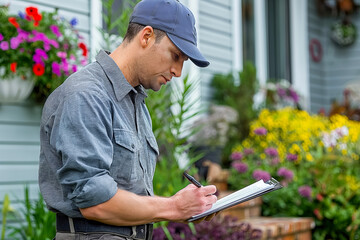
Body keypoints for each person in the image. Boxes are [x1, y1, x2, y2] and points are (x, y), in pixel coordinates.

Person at [38, 0, 217, 239]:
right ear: (146, 37)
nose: (178, 71)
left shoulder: (135, 103)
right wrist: (173, 207)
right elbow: (94, 201)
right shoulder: (87, 95)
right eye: (176, 56)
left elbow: (128, 192)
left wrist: (186, 205)